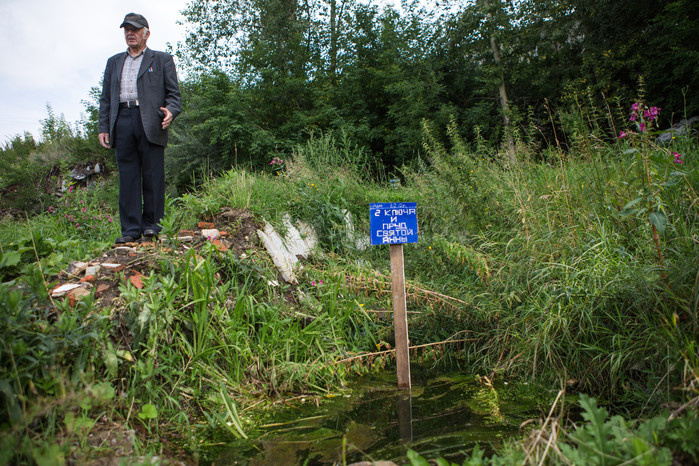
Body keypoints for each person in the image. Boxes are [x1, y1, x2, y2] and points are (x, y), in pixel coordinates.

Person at [98, 13, 182, 244]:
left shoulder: (162, 59)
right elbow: (105, 98)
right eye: (126, 29)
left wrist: (171, 111)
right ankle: (131, 231)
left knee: (153, 176)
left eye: (134, 29)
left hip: (151, 121)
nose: (130, 33)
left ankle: (152, 227)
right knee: (128, 177)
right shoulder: (113, 62)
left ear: (147, 33)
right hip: (121, 120)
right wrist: (103, 126)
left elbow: (174, 96)